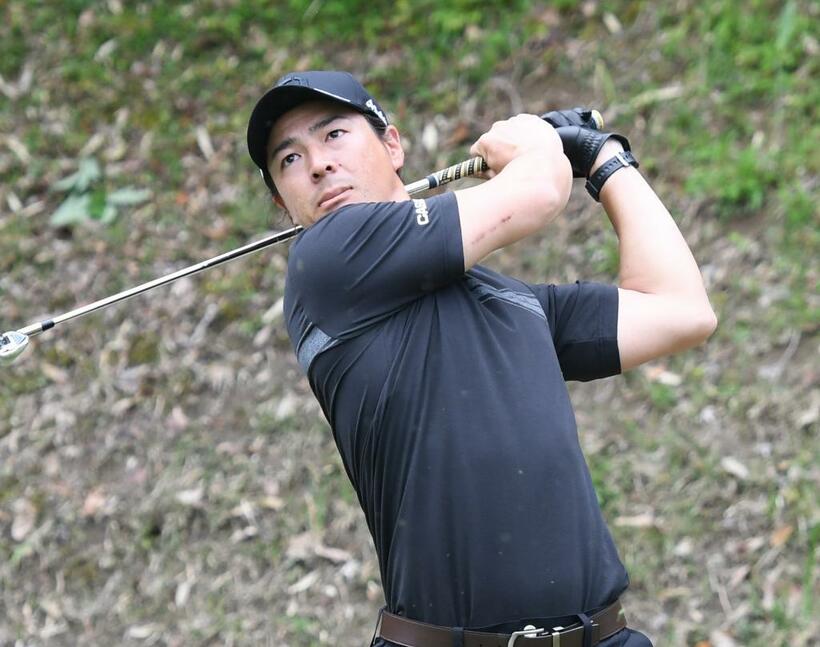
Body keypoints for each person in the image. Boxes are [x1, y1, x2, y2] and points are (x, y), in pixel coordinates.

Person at [246, 71, 717, 647]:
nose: (317, 164)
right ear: (282, 200)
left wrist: (606, 163)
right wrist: (535, 144)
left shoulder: (515, 303)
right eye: (289, 159)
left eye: (334, 135)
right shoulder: (325, 262)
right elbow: (537, 193)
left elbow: (681, 310)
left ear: (392, 145)